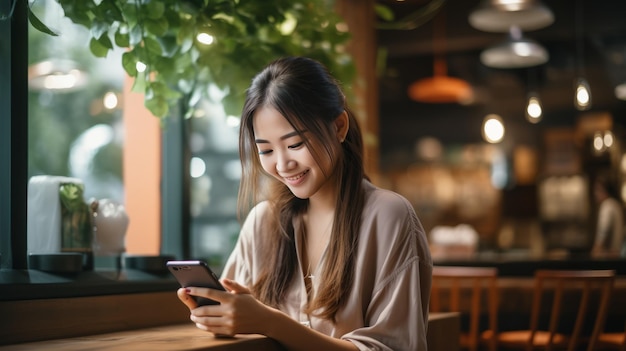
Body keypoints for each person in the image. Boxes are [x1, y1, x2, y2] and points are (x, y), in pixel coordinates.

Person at [177, 56, 432, 350]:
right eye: (267, 150)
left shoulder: (389, 216)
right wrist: (226, 316)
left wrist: (269, 321)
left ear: (339, 127)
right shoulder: (263, 222)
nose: (283, 164)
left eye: (295, 144)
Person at [591, 174, 625, 257]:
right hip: (617, 255)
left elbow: (603, 231)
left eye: (597, 189)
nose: (595, 193)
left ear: (605, 189)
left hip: (608, 257)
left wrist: (596, 250)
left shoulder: (607, 205)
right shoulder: (616, 204)